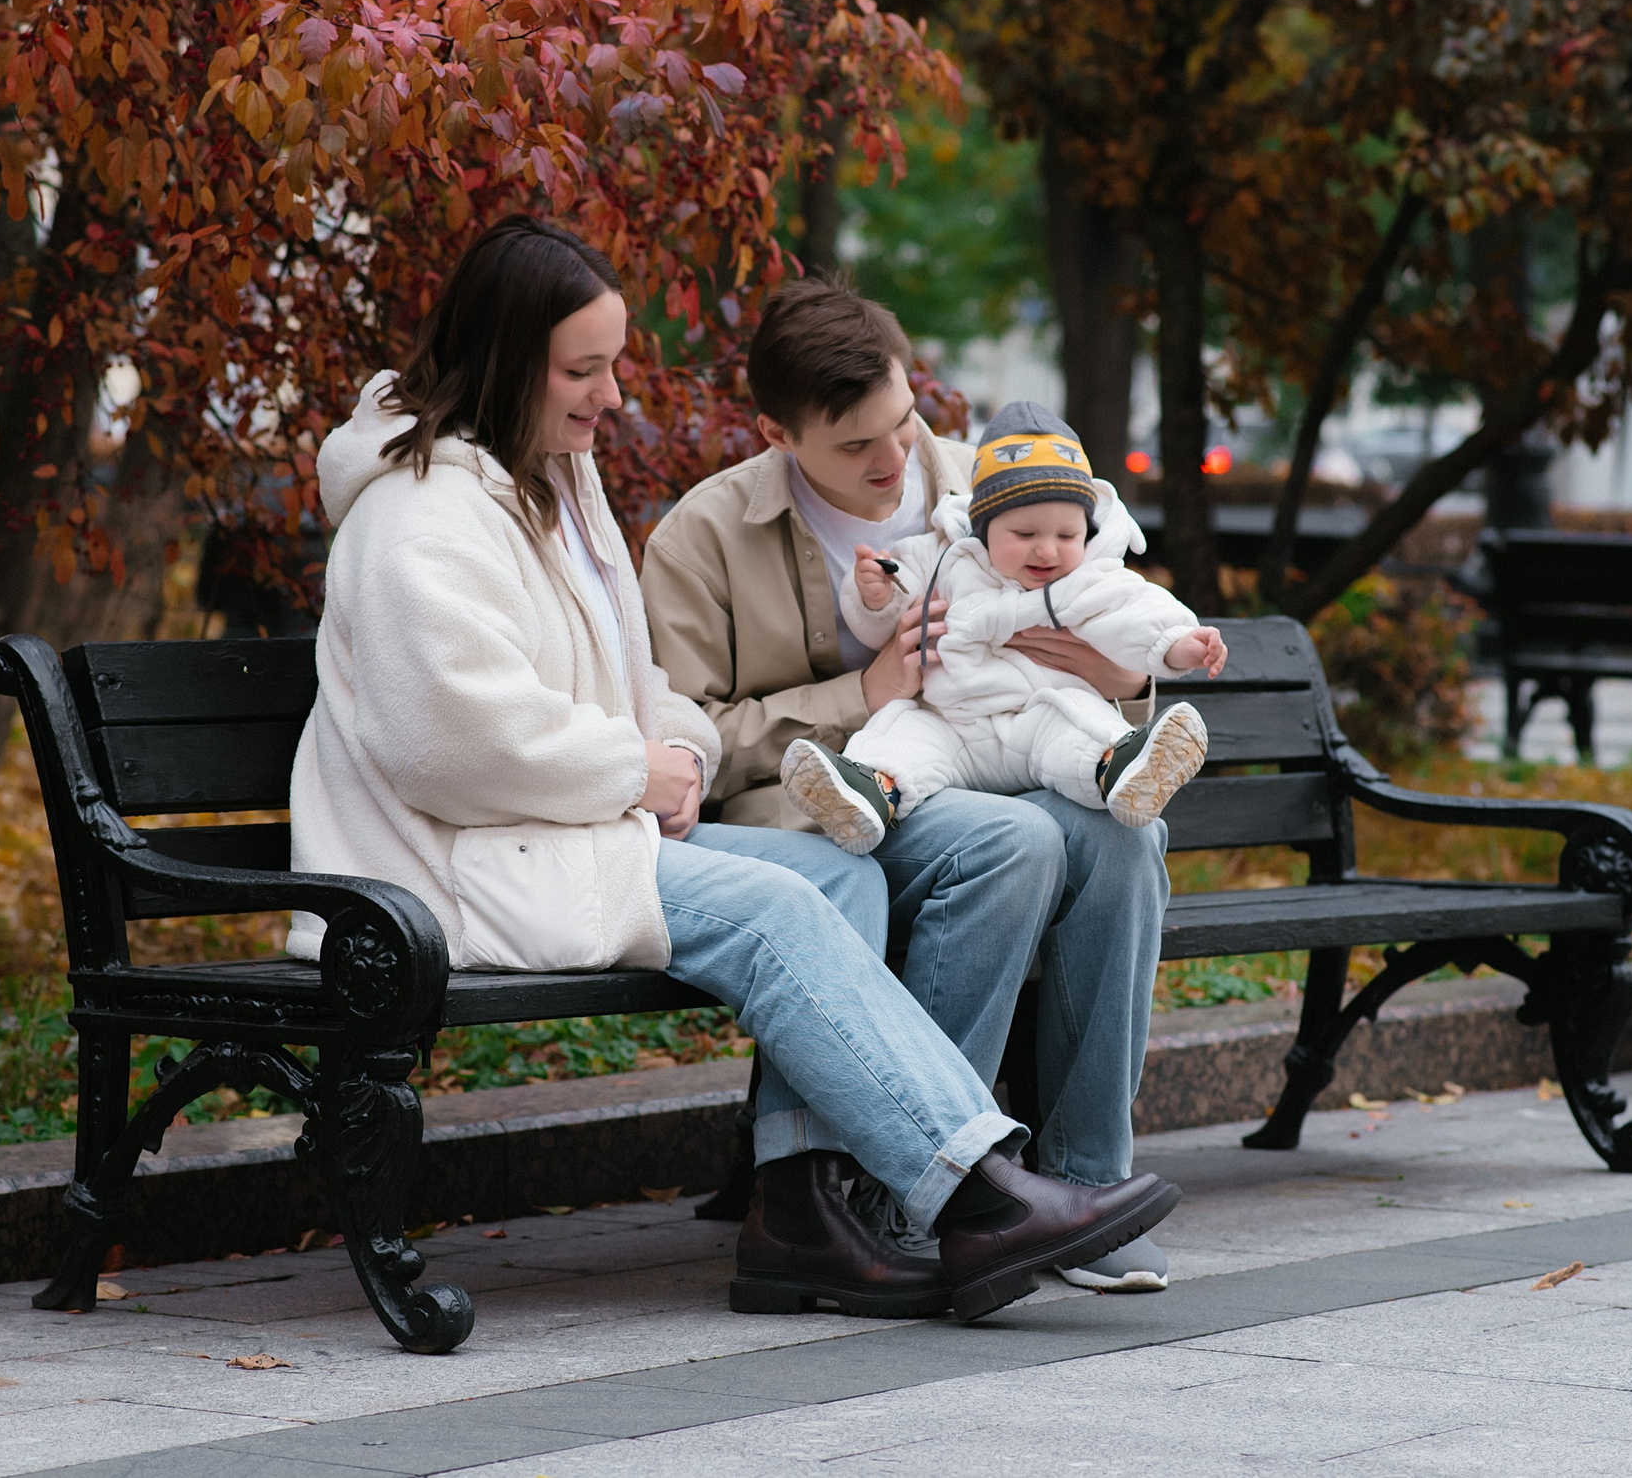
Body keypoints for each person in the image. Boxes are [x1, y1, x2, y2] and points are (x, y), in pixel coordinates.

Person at [284, 216, 1176, 1323]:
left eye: (610, 364)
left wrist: (677, 752)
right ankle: (976, 1190)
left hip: (569, 831)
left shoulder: (547, 482)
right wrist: (638, 767)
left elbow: (633, 679)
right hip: (459, 867)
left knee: (836, 877)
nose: (612, 395)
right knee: (784, 899)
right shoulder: (419, 518)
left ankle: (804, 1217)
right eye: (585, 369)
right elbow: (450, 744)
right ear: (509, 361)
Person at [640, 279, 1181, 1294]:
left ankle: (1080, 1186)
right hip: (816, 803)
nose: (892, 463)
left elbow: (1102, 600)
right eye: (853, 447)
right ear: (775, 432)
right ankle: (924, 1189)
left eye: (900, 423)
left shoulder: (979, 485)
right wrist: (863, 689)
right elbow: (690, 737)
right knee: (1011, 844)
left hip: (996, 755)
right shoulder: (704, 536)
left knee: (1120, 834)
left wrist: (1122, 673)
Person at [782, 399, 1228, 854]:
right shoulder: (944, 557)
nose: (1048, 552)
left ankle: (1123, 770)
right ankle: (870, 794)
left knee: (1080, 722)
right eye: (1025, 535)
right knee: (900, 732)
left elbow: (1138, 612)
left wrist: (1180, 643)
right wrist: (875, 594)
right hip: (951, 720)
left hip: (1039, 714)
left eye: (1066, 536)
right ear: (985, 528)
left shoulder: (1087, 580)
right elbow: (893, 608)